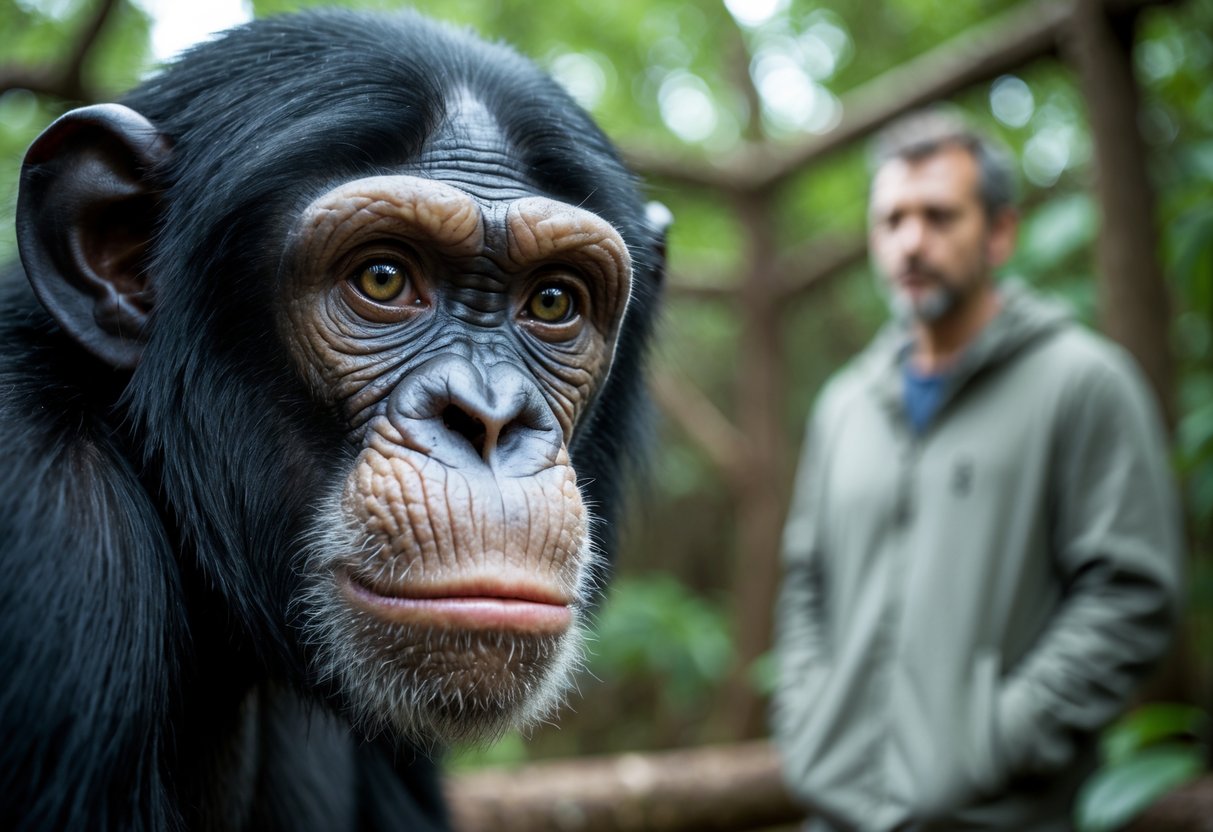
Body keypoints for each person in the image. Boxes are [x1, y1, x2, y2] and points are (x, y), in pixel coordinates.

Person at [771, 109, 1184, 832]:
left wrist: (994, 739)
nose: (910, 241)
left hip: (1005, 816)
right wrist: (810, 722)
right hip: (836, 813)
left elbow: (1131, 595)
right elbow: (806, 580)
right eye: (891, 220)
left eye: (938, 216)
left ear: (999, 232)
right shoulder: (844, 405)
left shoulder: (1083, 383)